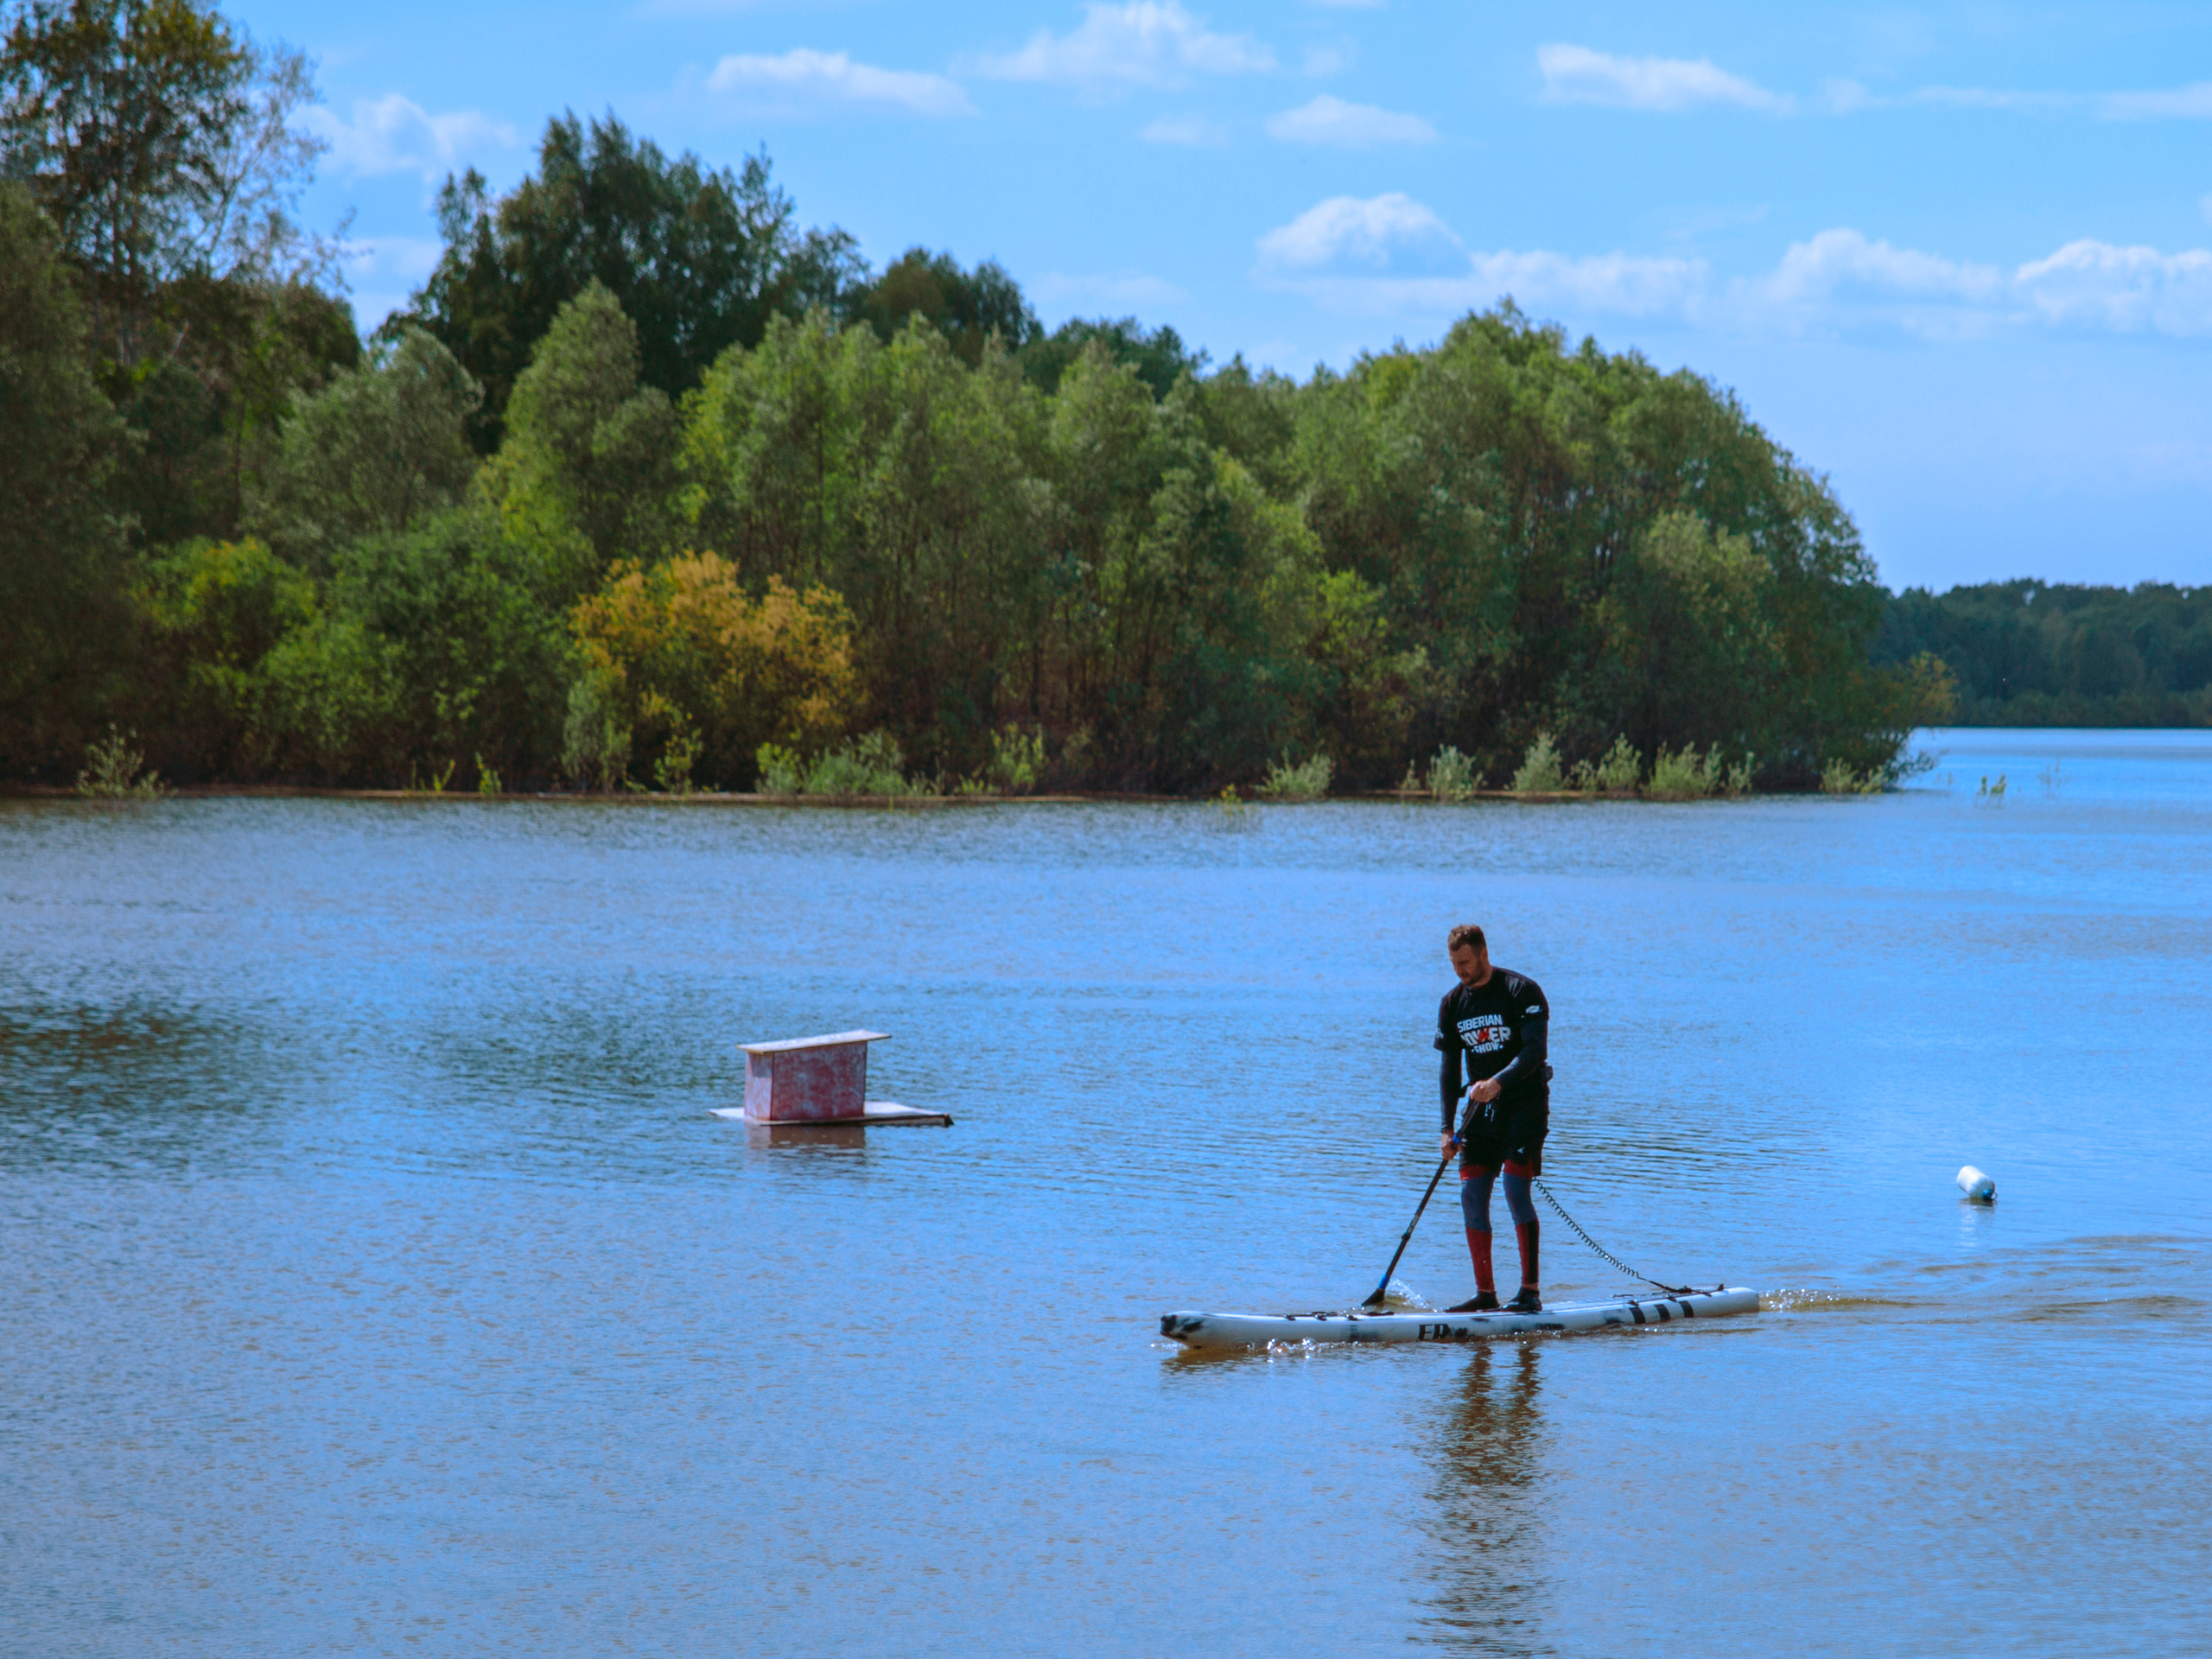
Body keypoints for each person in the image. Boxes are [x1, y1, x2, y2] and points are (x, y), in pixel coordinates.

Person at [1435, 923, 1550, 1313]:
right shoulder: (1452, 1003)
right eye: (1453, 964)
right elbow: (1449, 1072)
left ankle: (1529, 1293)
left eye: (1465, 962)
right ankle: (1486, 1295)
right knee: (1471, 1195)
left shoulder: (1522, 991)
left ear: (1483, 953)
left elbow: (1534, 1051)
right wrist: (1447, 1129)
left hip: (1525, 1105)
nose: (1460, 971)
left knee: (1516, 1190)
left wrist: (1497, 1082)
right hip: (1479, 1113)